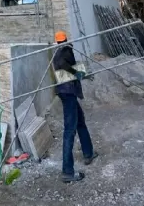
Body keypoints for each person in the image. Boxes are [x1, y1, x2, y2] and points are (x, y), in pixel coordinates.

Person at [53, 30, 98, 183]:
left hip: (66, 92)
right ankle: (67, 172)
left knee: (80, 122)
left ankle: (88, 153)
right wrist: (76, 72)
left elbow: (63, 66)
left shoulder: (58, 51)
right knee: (69, 131)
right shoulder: (65, 50)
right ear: (65, 39)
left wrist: (78, 72)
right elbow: (63, 65)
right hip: (68, 92)